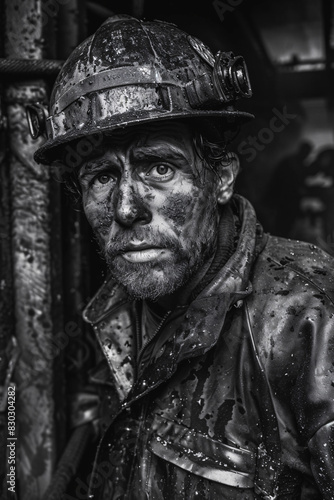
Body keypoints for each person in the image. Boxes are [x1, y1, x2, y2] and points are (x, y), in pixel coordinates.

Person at [31, 14, 334, 500]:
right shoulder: (121, 309)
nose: (126, 208)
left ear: (221, 179)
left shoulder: (309, 319)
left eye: (159, 167)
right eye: (102, 178)